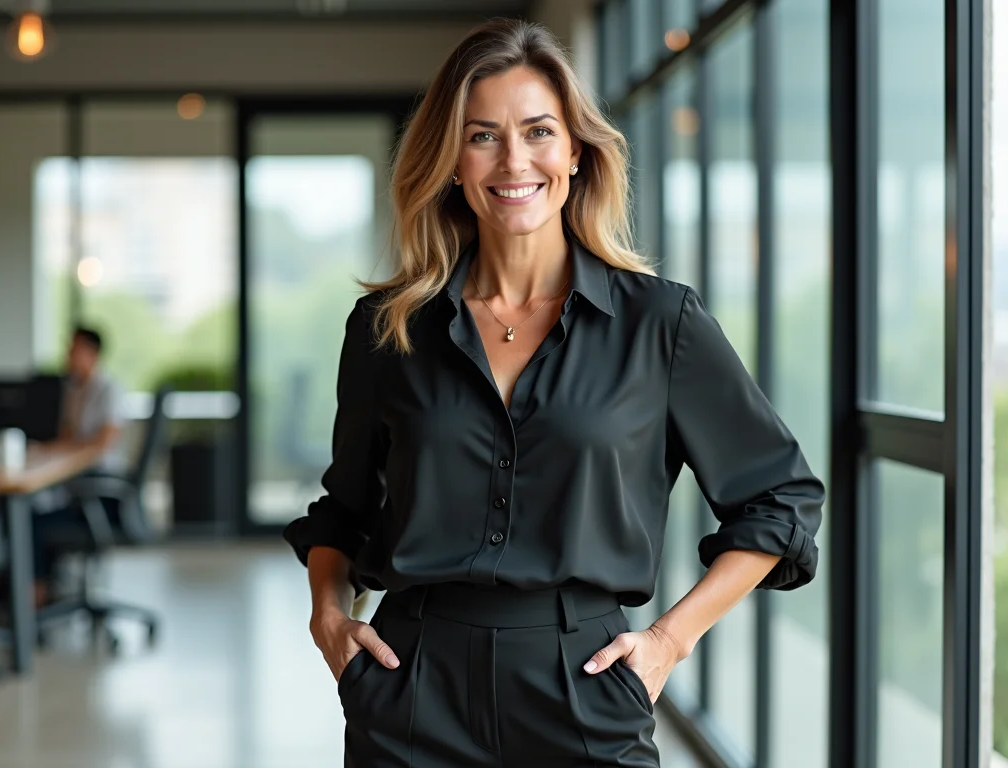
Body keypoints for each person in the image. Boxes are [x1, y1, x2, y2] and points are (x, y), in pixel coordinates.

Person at [281, 19, 824, 767]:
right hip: (412, 686)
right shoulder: (388, 327)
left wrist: (670, 640)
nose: (514, 160)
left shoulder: (659, 323)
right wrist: (328, 620)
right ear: (451, 162)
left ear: (575, 151)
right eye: (482, 136)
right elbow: (343, 512)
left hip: (585, 685)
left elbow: (779, 498)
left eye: (539, 131)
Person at [0, 326, 128, 621]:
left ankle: (32, 596)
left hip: (99, 491)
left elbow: (103, 443)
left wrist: (62, 451)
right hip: (74, 486)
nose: (68, 355)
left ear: (91, 353)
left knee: (28, 521)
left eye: (73, 349)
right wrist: (46, 450)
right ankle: (5, 591)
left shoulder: (109, 389)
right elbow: (68, 435)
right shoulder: (74, 389)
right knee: (17, 510)